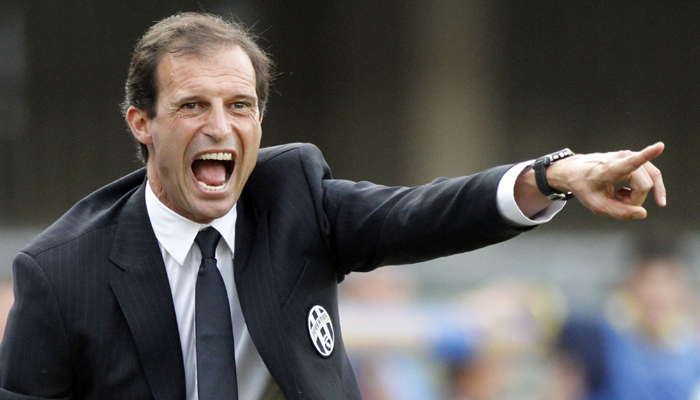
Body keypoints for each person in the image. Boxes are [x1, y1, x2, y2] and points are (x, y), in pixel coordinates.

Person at [0, 12, 666, 400]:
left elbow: (422, 213)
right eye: (192, 105)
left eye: (240, 106)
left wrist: (555, 175)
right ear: (141, 123)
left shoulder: (293, 199)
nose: (219, 127)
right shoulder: (60, 275)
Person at [546, 231, 700, 400]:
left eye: (668, 281)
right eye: (648, 281)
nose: (658, 294)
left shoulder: (692, 355)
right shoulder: (595, 343)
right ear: (629, 284)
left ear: (684, 289)